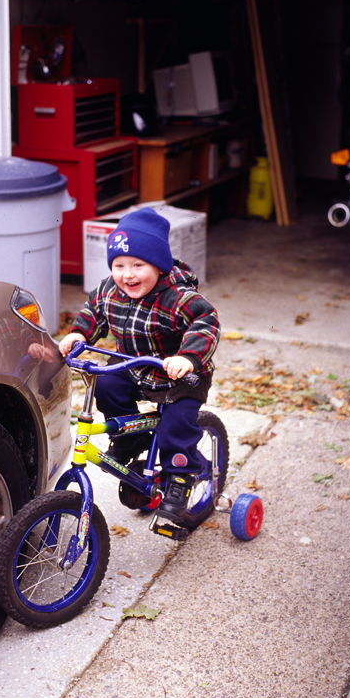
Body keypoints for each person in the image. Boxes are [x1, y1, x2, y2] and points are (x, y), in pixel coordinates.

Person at [59, 207, 220, 524]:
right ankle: (130, 437)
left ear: (159, 266)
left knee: (175, 429)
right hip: (135, 367)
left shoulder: (177, 297)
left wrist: (188, 358)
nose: (127, 274)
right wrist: (79, 333)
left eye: (138, 265)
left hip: (179, 378)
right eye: (119, 265)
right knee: (106, 384)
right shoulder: (109, 290)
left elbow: (205, 320)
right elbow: (94, 312)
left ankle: (180, 477)